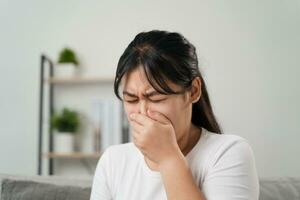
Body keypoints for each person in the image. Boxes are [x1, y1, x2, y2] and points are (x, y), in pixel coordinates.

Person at [90, 30, 259, 200]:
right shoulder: (113, 161)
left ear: (193, 91)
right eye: (132, 100)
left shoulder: (228, 153)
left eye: (156, 98)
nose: (142, 112)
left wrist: (168, 158)